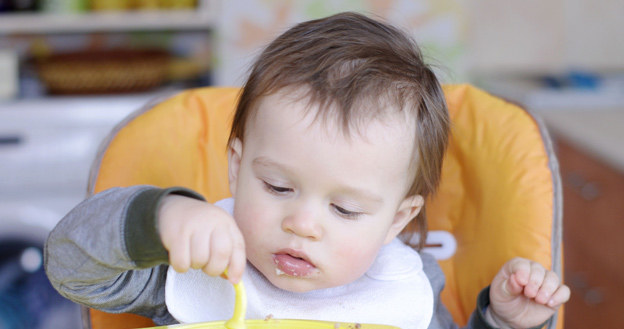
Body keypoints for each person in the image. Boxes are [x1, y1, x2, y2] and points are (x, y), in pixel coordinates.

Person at [45, 12, 569, 329]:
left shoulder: (407, 288)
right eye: (277, 186)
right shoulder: (197, 267)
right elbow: (69, 264)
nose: (302, 222)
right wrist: (161, 218)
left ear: (397, 219)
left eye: (345, 208)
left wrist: (503, 321)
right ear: (236, 165)